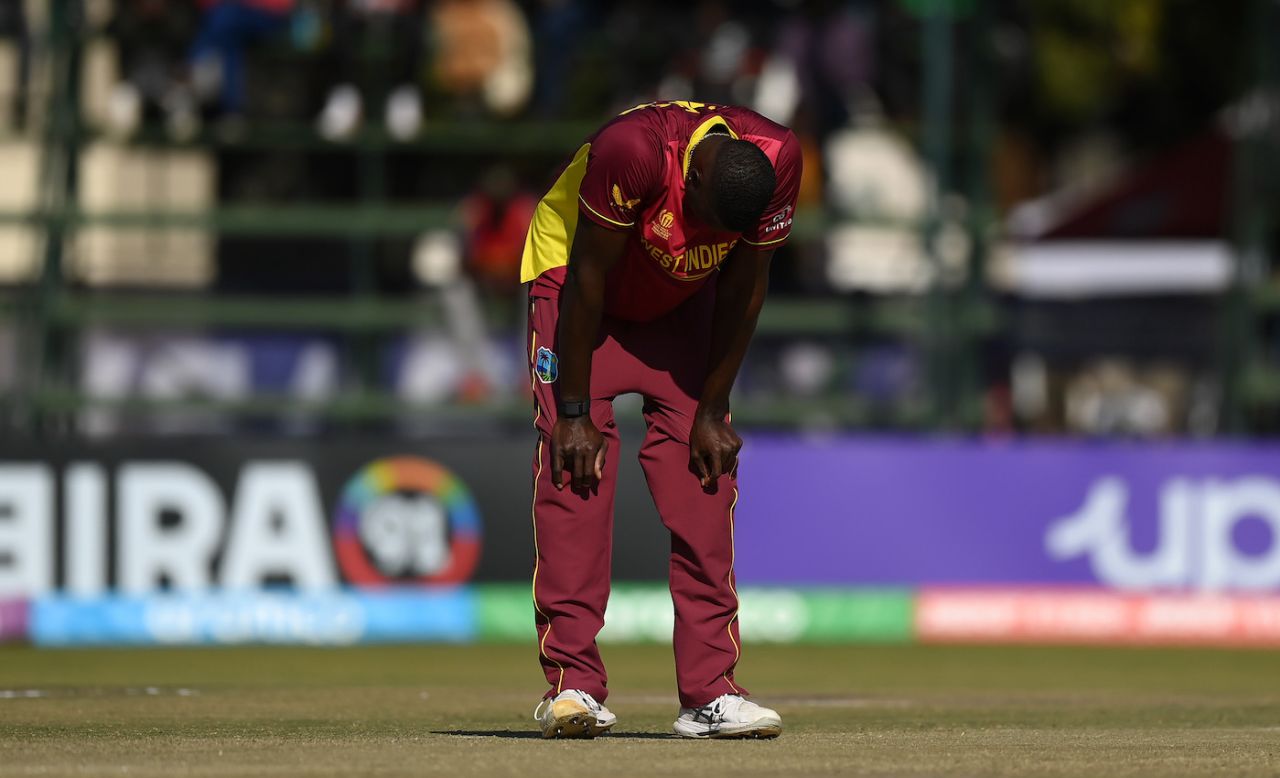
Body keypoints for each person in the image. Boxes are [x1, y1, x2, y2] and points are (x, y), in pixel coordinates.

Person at [521, 100, 800, 739]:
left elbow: (745, 284)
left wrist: (711, 408)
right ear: (691, 179)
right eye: (699, 222)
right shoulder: (634, 150)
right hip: (579, 288)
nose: (701, 239)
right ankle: (572, 687)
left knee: (705, 476)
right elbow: (588, 277)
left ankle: (710, 693)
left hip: (681, 299)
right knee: (575, 469)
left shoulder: (779, 159)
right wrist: (573, 412)